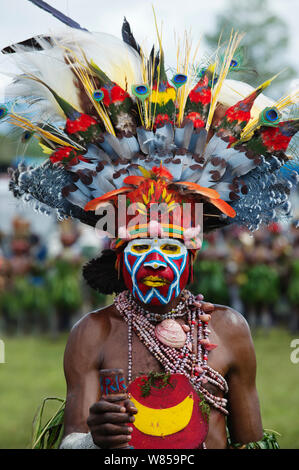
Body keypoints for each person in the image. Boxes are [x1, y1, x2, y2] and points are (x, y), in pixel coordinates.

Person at [2, 1, 298, 449]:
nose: (156, 260)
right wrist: (92, 439)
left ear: (192, 256)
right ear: (118, 258)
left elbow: (250, 442)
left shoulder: (229, 329)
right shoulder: (94, 332)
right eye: (140, 247)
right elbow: (74, 437)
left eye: (170, 247)